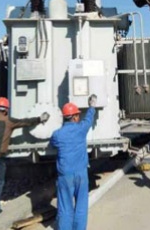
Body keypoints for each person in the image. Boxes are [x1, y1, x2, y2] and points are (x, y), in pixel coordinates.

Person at [50, 94, 97, 230]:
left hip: (65, 176)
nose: (79, 117)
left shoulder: (57, 134)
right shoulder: (81, 129)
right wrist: (92, 106)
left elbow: (52, 144)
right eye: (77, 115)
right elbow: (88, 119)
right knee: (81, 206)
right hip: (81, 174)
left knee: (65, 207)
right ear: (75, 117)